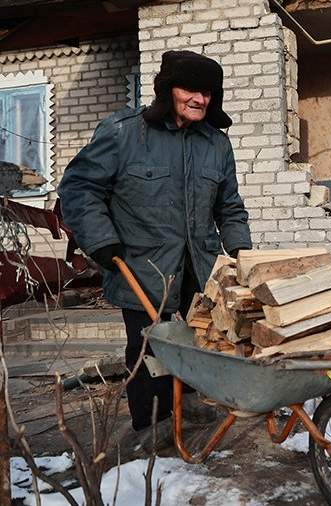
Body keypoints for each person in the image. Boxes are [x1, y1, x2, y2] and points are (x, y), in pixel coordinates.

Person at [59, 51, 251, 438]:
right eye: (190, 90)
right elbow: (79, 189)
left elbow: (229, 206)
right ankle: (152, 428)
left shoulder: (216, 144)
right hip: (141, 266)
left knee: (203, 341)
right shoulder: (124, 133)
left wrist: (242, 253)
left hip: (200, 266)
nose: (200, 99)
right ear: (167, 90)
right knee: (149, 349)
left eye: (208, 93)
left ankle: (191, 407)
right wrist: (101, 241)